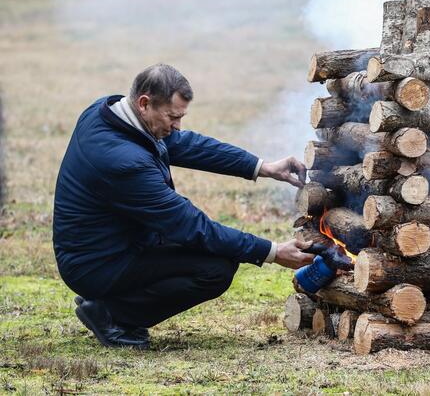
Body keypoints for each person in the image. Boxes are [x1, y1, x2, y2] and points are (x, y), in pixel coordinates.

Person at [53, 63, 315, 349]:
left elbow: (188, 145)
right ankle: (111, 314)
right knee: (215, 270)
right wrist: (272, 252)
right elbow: (191, 227)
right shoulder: (122, 163)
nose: (177, 126)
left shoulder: (113, 114)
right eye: (172, 117)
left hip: (114, 245)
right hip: (96, 263)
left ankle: (114, 304)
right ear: (144, 103)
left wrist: (262, 167)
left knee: (218, 258)